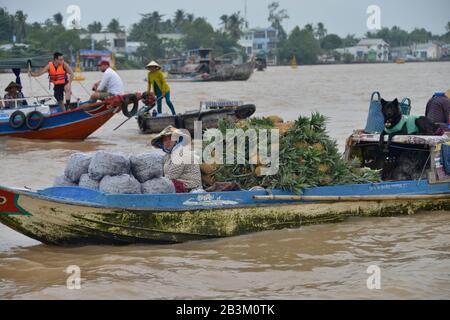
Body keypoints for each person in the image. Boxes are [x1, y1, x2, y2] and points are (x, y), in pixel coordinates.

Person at [151, 126, 202, 193]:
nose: (168, 142)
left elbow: (171, 176)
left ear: (177, 140)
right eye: (165, 140)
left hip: (190, 188)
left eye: (171, 139)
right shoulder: (168, 155)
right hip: (177, 185)